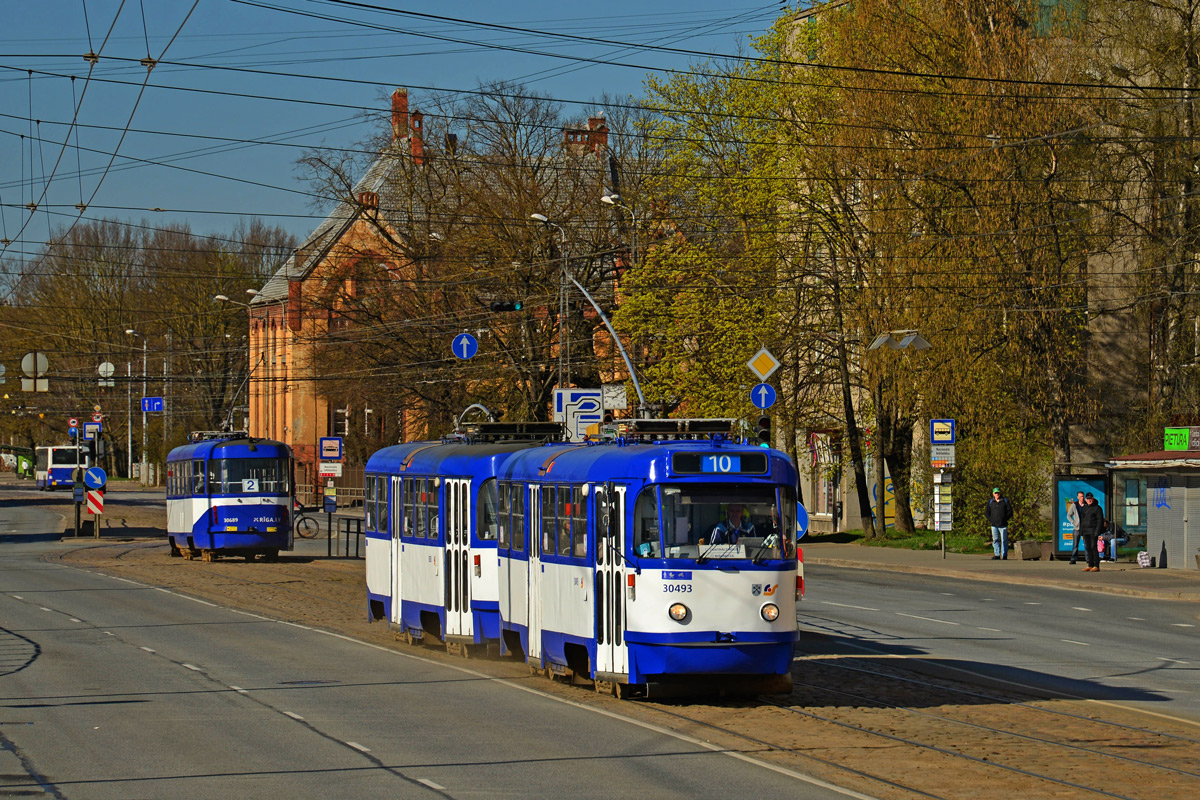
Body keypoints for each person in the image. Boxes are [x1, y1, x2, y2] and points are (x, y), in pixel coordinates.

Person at [1077, 491, 1104, 572]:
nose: (1089, 500)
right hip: (1085, 531)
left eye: (1090, 498)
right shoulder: (1084, 508)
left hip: (1093, 530)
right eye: (1088, 498)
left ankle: (1096, 565)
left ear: (1093, 498)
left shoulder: (1097, 508)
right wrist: (1081, 532)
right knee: (1088, 547)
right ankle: (1090, 564)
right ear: (1086, 499)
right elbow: (1082, 520)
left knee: (1093, 547)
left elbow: (1100, 521)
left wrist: (1097, 531)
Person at [986, 487, 1013, 560]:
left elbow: (1010, 512)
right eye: (995, 493)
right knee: (995, 540)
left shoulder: (1005, 501)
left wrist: (1005, 518)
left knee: (1004, 540)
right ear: (993, 494)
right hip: (994, 525)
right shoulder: (991, 502)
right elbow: (987, 513)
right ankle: (997, 554)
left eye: (998, 493)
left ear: (1000, 493)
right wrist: (991, 520)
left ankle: (1004, 555)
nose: (997, 494)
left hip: (1003, 525)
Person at [1067, 490, 1086, 565]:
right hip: (1077, 528)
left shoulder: (1086, 505)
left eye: (1083, 496)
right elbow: (1068, 515)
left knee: (1086, 544)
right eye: (1081, 496)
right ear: (1078, 497)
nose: (1082, 498)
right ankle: (1073, 559)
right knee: (1075, 544)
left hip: (1085, 527)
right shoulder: (1074, 505)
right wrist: (1074, 522)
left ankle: (1088, 559)